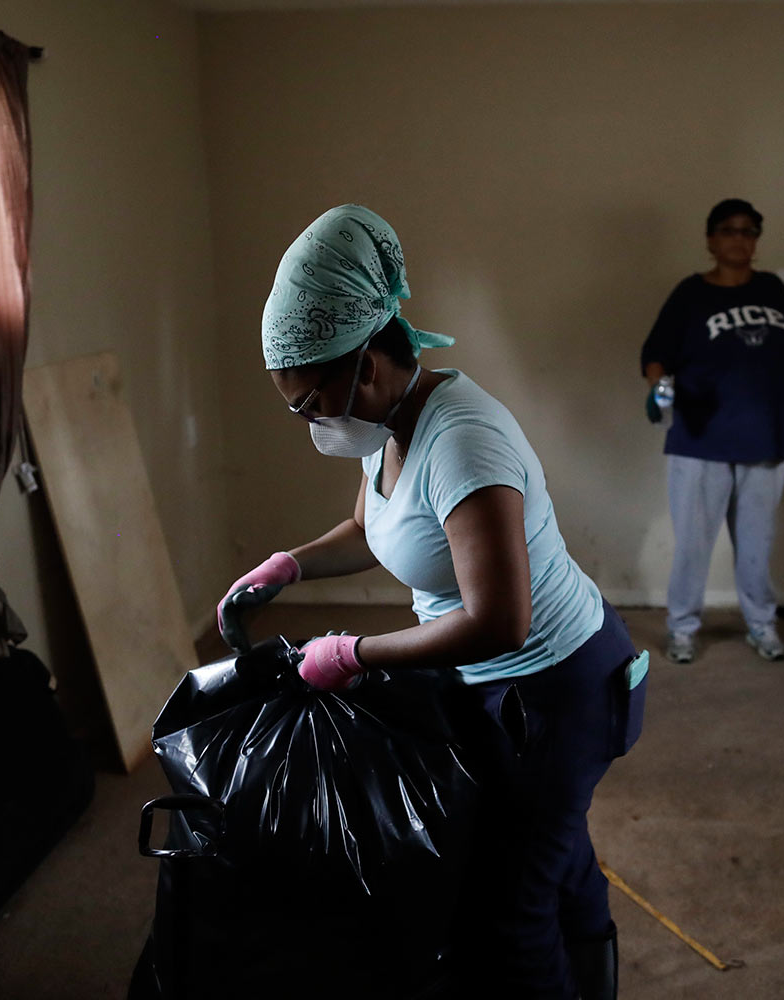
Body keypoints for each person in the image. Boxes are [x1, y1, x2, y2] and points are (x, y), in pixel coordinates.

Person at [217, 204, 648, 1000]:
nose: (309, 421)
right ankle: (597, 975)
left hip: (557, 690)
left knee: (510, 916)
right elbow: (369, 526)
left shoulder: (462, 442)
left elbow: (496, 621)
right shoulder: (393, 424)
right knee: (555, 848)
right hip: (501, 691)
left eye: (309, 402)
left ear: (366, 366)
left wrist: (351, 653)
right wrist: (290, 569)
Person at [639, 198, 784, 665]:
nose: (738, 239)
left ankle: (761, 624)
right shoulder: (690, 293)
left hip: (765, 436)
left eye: (748, 231)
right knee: (693, 546)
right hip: (700, 440)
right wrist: (660, 390)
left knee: (757, 543)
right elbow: (656, 352)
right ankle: (683, 628)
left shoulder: (773, 291)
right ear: (710, 239)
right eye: (728, 230)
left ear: (756, 240)